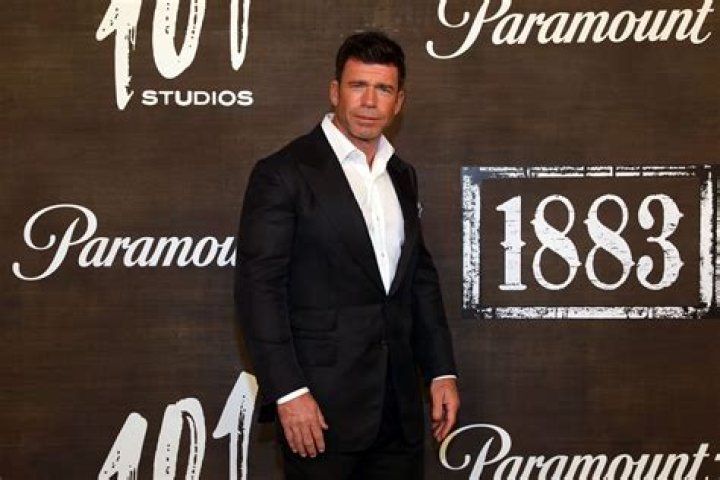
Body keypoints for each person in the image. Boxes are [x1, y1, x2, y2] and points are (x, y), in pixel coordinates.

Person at [235, 31, 459, 479]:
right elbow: (259, 291)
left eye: (383, 89)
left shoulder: (401, 175)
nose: (369, 101)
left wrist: (440, 371)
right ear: (335, 91)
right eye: (358, 86)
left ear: (399, 101)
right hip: (319, 411)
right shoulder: (283, 173)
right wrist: (289, 393)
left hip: (398, 411)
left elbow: (418, 279)